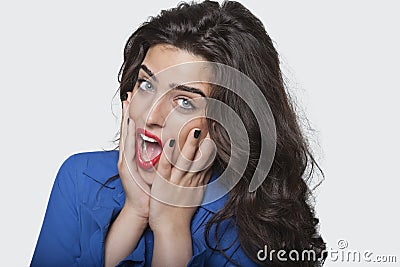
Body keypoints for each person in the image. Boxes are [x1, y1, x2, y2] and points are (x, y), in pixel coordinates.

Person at [31, 1, 326, 266]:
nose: (151, 116)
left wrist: (171, 230)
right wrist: (133, 213)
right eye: (147, 84)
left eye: (184, 101)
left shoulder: (249, 222)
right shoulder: (81, 176)